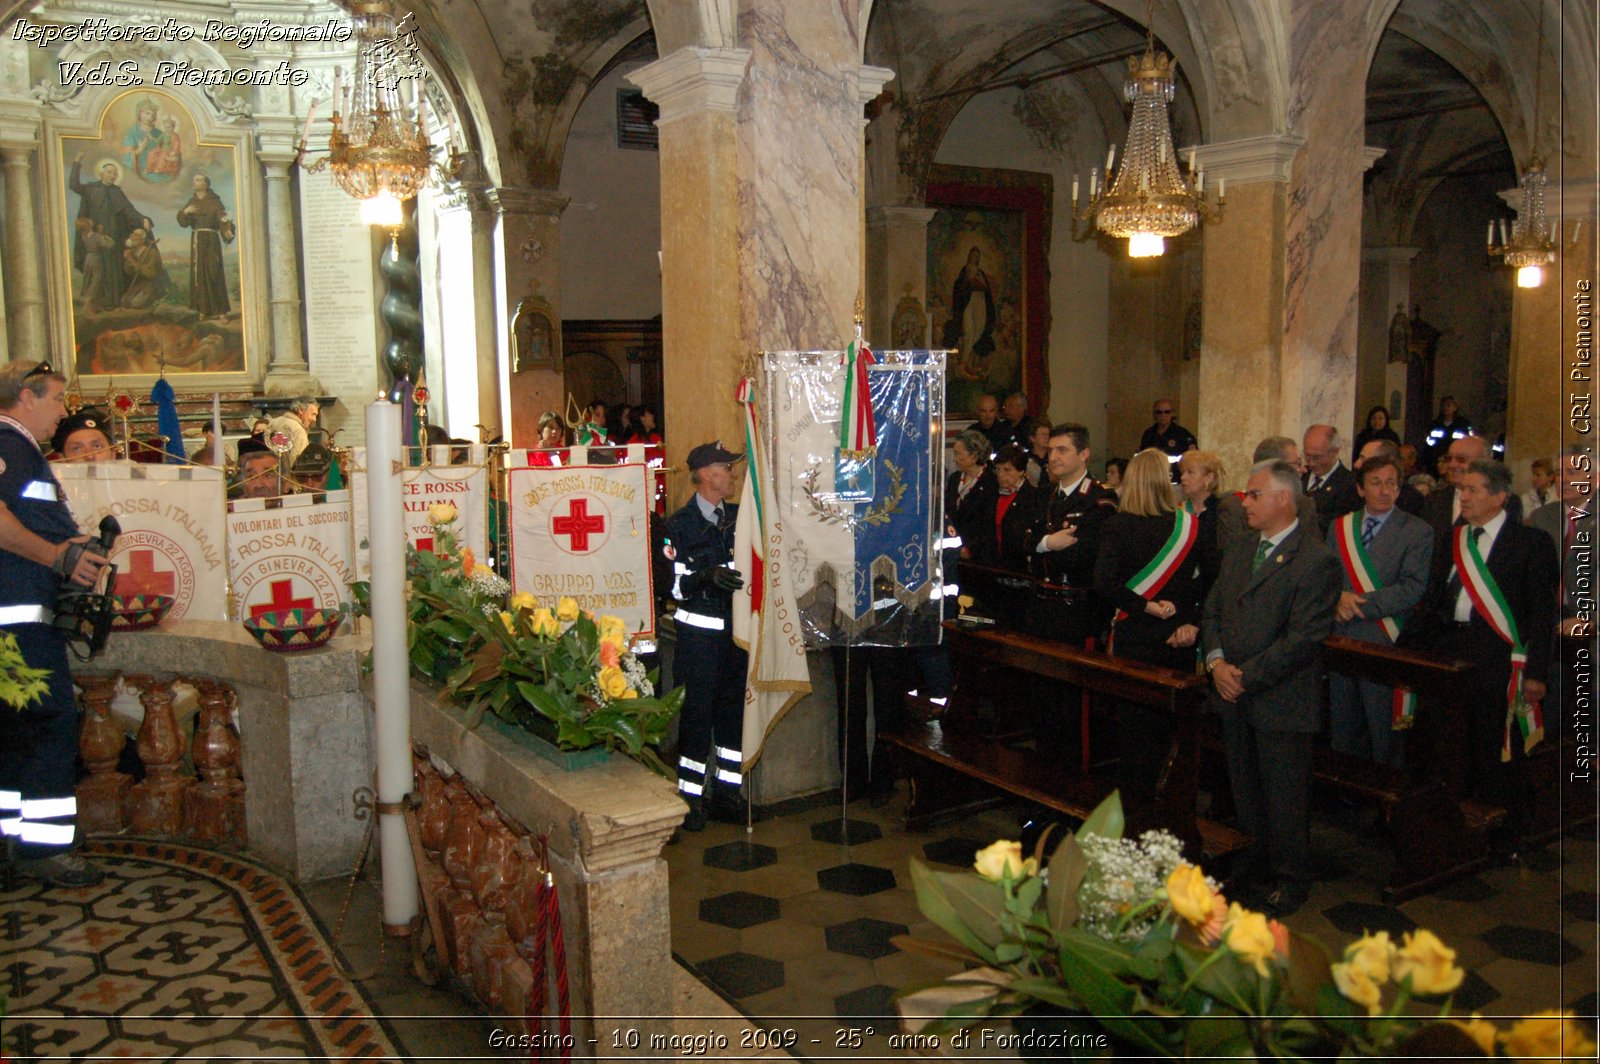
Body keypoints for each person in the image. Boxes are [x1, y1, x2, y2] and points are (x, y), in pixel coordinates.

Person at [1201, 459, 1341, 917]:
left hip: (1280, 698)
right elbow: (1214, 609)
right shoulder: (1242, 547)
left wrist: (1243, 676)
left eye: (1255, 494)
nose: (1246, 503)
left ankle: (1291, 875)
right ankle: (1253, 860)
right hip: (1232, 689)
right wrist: (1217, 660)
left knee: (1284, 792)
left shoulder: (1316, 559)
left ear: (1285, 498)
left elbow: (1303, 639)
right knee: (1245, 786)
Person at [1405, 459, 1558, 863]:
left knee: (1495, 746)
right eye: (1461, 490)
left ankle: (1501, 834)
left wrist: (1537, 672)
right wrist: (1407, 648)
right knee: (1446, 740)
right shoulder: (1455, 537)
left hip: (1498, 659)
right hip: (1449, 652)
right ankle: (1449, 823)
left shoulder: (1531, 544)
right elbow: (1435, 597)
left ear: (1500, 496)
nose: (1464, 496)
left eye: (1472, 489)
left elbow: (1543, 614)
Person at [0, 359, 111, 887]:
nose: (63, 412)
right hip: (16, 623)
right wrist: (57, 556)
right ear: (27, 395)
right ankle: (44, 850)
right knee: (48, 724)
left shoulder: (19, 449)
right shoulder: (9, 444)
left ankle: (12, 839)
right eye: (58, 399)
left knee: (16, 731)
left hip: (15, 619)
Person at [1094, 450, 1204, 800]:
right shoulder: (1188, 525)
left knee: (1136, 728)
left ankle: (1134, 804)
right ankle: (1171, 803)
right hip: (1177, 638)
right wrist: (1185, 614)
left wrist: (1143, 605)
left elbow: (1103, 582)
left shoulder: (1117, 525)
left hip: (1135, 636)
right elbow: (1208, 579)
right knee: (1172, 729)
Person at [1325, 455, 1433, 767]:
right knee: (1343, 726)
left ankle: (1384, 802)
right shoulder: (1339, 527)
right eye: (1376, 483)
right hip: (1342, 638)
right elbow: (1325, 576)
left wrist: (1354, 603)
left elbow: (1413, 587)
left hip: (1385, 639)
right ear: (1360, 489)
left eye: (1391, 484)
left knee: (1382, 728)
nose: (1385, 490)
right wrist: (1336, 598)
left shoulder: (1417, 531)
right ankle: (1347, 796)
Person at [664, 441, 748, 831]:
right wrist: (704, 577)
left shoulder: (740, 517)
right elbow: (672, 587)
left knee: (733, 716)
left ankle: (727, 792)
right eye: (727, 468)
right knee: (697, 717)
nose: (733, 474)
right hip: (698, 641)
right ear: (706, 474)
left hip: (736, 638)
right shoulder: (679, 525)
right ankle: (691, 797)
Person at [68, 155, 152, 307]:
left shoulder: (117, 193)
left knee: (114, 270)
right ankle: (97, 303)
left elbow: (128, 210)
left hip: (114, 239)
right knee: (98, 273)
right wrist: (77, 162)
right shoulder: (91, 189)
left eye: (115, 173)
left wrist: (142, 219)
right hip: (97, 240)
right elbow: (73, 185)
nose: (113, 175)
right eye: (109, 172)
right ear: (101, 174)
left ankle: (114, 303)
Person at [1421, 435, 1522, 546]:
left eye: (1461, 459)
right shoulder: (1433, 500)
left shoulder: (1504, 501)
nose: (1452, 465)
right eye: (1449, 458)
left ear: (1485, 461)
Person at [1216, 436, 1315, 543]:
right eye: (1297, 464)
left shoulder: (1305, 505)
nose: (1304, 470)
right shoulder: (1234, 508)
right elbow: (1232, 555)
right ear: (1276, 467)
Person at [176, 173, 233, 319]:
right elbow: (183, 223)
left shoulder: (214, 201)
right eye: (194, 179)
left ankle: (221, 312)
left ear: (206, 184)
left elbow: (223, 218)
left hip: (211, 240)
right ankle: (203, 310)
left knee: (214, 272)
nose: (194, 182)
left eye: (198, 180)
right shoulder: (192, 202)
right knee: (199, 274)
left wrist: (227, 231)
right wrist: (185, 212)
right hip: (197, 240)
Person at [1177, 449, 1226, 599]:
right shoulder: (1178, 511)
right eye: (1183, 472)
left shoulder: (1221, 512)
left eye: (1190, 473)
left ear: (1209, 478)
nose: (1183, 477)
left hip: (1211, 590)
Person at [945, 429, 997, 566]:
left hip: (979, 556)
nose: (954, 458)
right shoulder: (954, 479)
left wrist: (970, 549)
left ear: (974, 456)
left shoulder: (991, 482)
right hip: (953, 552)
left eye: (958, 453)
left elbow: (987, 523)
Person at [1300, 424, 1352, 535]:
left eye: (1317, 457)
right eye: (1307, 456)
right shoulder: (1300, 475)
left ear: (1335, 451)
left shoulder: (1349, 484)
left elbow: (1334, 528)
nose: (1312, 463)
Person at [1137, 398, 1198, 476]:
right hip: (1153, 477)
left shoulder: (1182, 434)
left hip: (1175, 479)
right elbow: (1143, 457)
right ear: (1154, 415)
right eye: (1159, 412)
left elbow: (1192, 457)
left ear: (1172, 414)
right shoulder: (1149, 434)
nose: (1163, 415)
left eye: (1167, 412)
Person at [119, 228, 172, 310]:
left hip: (154, 285)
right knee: (124, 301)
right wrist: (128, 261)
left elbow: (151, 274)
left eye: (135, 235)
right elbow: (129, 272)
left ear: (141, 240)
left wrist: (132, 261)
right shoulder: (133, 252)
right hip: (143, 283)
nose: (131, 236)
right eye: (132, 234)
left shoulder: (151, 252)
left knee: (135, 303)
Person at [265, 397, 319, 467]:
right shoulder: (298, 431)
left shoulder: (272, 423)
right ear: (301, 410)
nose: (314, 419)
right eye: (313, 414)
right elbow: (297, 464)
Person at [1424, 396, 1472, 469]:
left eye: (1449, 405)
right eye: (1443, 405)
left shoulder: (1462, 425)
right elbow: (1429, 443)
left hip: (1456, 461)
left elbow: (1468, 442)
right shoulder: (1435, 425)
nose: (1445, 408)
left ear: (1455, 407)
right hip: (1436, 462)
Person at [1021, 417, 1051, 486]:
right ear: (1032, 438)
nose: (1047, 437)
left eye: (1048, 434)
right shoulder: (1024, 459)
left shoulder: (1053, 457)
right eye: (1043, 434)